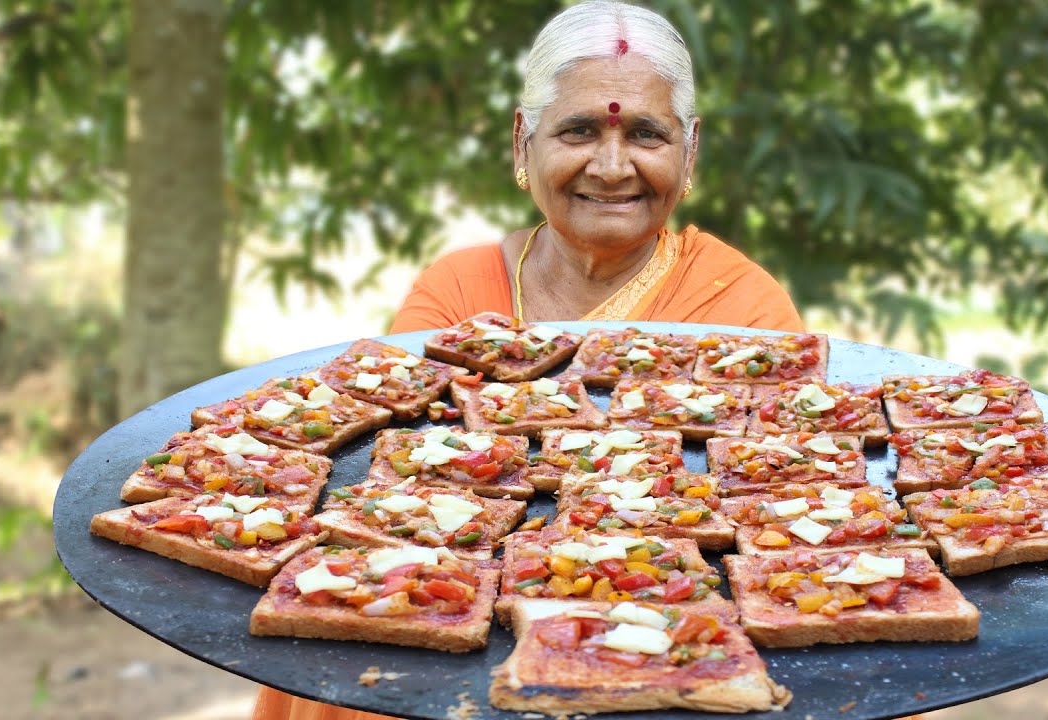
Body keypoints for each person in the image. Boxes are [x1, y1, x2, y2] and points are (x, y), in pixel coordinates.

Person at [253, 2, 804, 718]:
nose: (611, 167)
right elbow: (390, 479)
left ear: (689, 151)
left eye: (646, 134)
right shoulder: (456, 290)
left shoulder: (744, 307)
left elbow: (777, 522)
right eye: (578, 130)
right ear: (523, 142)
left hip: (660, 643)